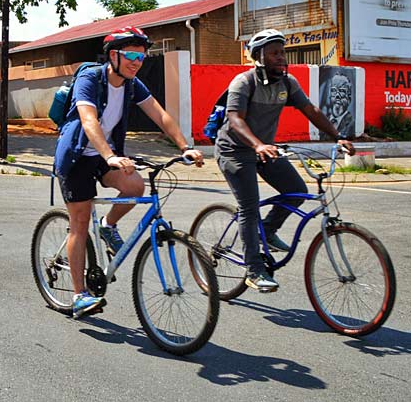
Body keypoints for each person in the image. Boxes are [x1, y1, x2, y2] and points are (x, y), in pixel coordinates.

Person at [53, 26, 204, 318]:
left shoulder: (133, 84)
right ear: (114, 55)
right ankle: (79, 295)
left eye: (142, 56)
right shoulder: (90, 78)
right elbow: (89, 120)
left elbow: (159, 113)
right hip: (76, 157)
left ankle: (108, 227)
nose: (137, 61)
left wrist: (185, 146)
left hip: (106, 156)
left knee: (135, 188)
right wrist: (109, 155)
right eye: (131, 55)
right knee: (80, 222)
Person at [215, 29, 355, 292]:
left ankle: (266, 230)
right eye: (274, 53)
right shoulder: (244, 82)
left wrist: (338, 136)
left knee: (296, 191)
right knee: (249, 207)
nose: (281, 57)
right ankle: (254, 270)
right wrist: (257, 145)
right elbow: (235, 119)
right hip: (234, 150)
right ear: (259, 56)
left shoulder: (288, 83)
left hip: (265, 150)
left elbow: (311, 110)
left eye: (283, 52)